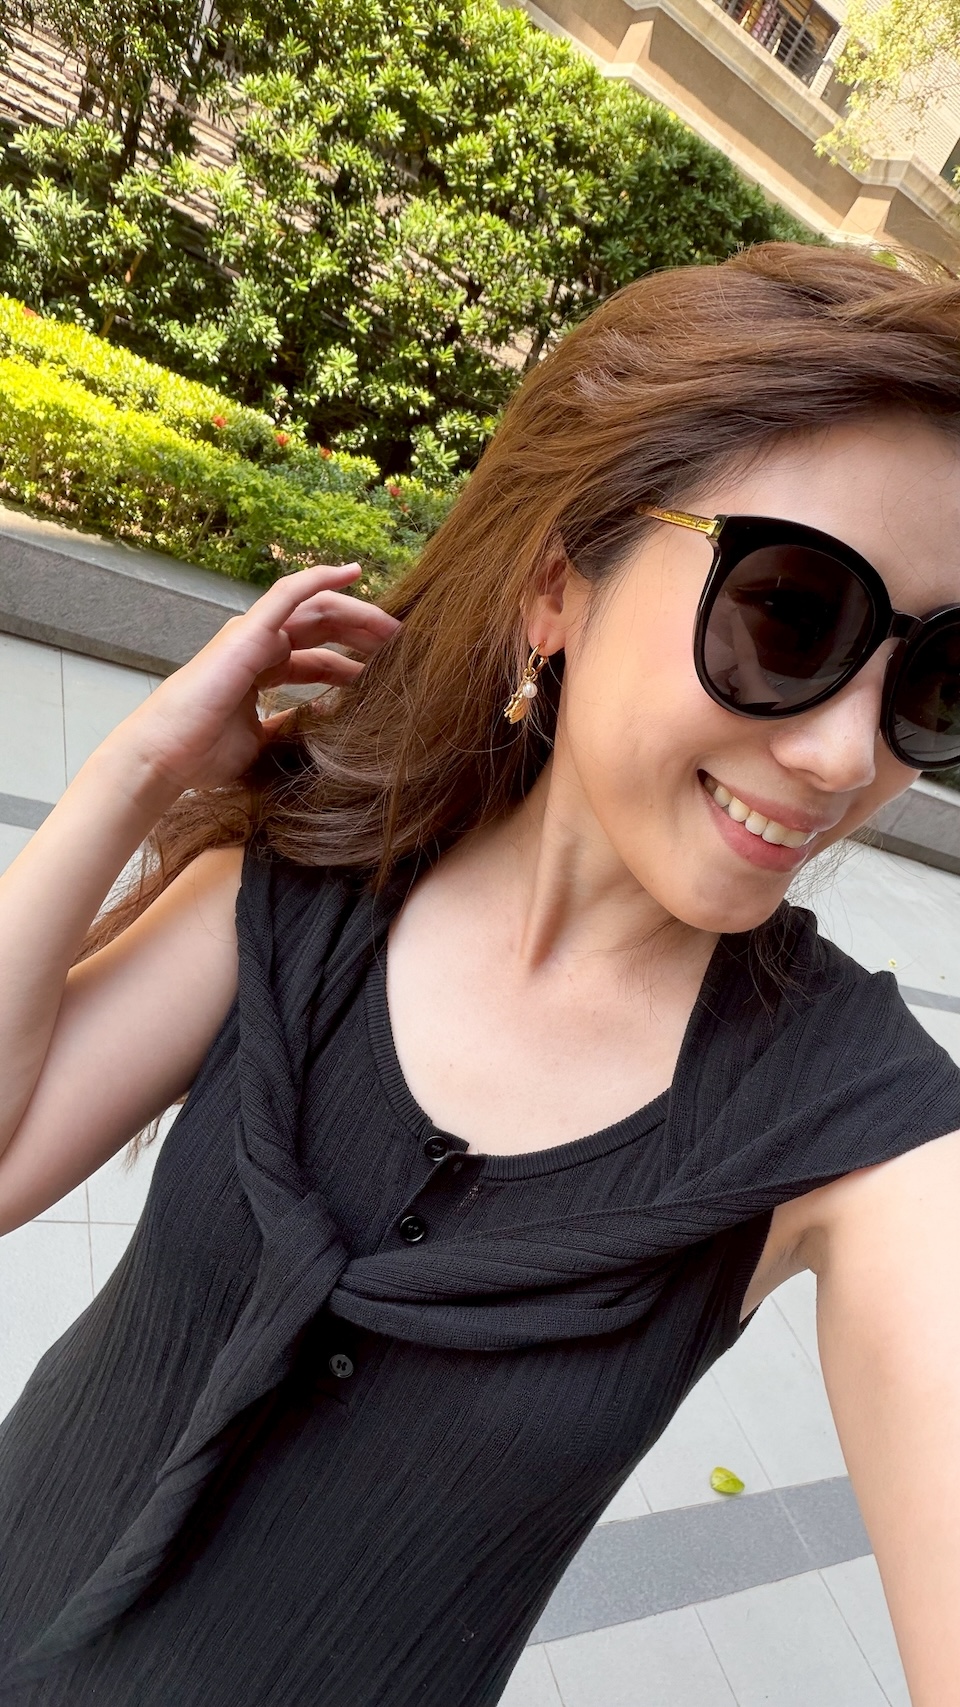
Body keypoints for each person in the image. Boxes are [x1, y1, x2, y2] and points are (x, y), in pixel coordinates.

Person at [1, 240, 960, 1707]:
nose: (847, 755)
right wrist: (132, 772)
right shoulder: (319, 881)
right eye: (789, 613)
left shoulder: (863, 1132)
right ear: (557, 588)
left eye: (940, 679)